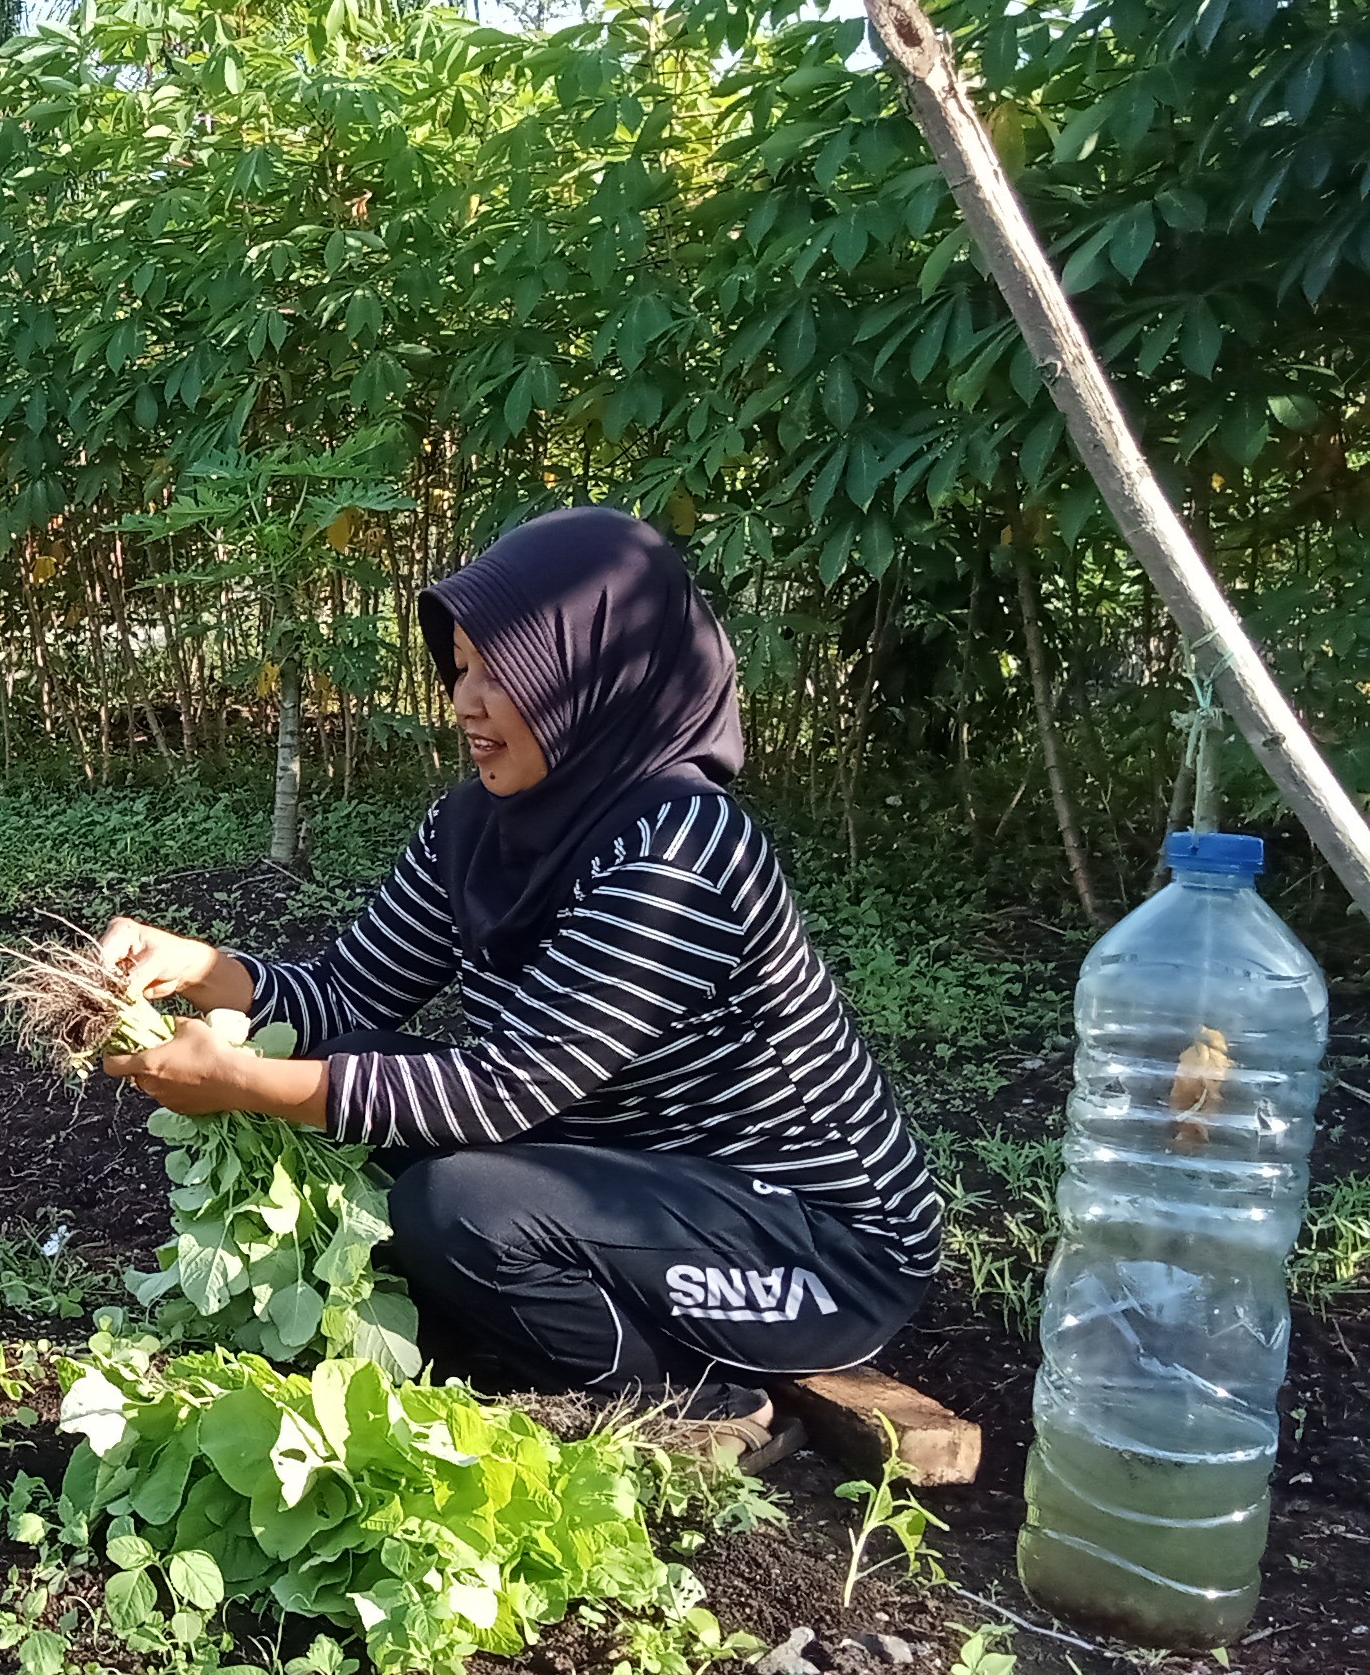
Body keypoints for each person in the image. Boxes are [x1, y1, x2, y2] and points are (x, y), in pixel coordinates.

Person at [97, 509, 944, 1464]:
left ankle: (689, 1401)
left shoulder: (682, 845)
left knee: (459, 1206)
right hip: (637, 1175)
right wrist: (202, 969)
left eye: (503, 674)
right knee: (363, 1103)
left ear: (595, 678)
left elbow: (513, 1083)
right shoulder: (474, 827)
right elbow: (350, 996)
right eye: (460, 669)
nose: (467, 701)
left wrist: (248, 1085)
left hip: (814, 1243)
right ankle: (549, 1330)